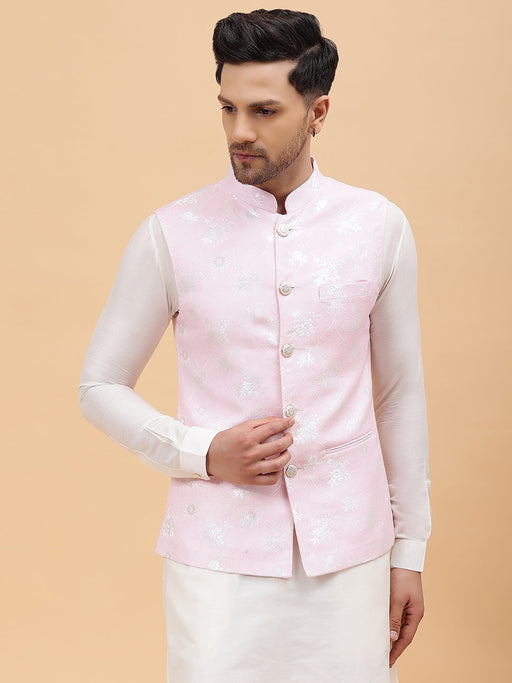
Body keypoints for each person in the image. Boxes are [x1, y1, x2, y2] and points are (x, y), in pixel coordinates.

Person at [79, 9, 431, 682]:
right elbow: (98, 386)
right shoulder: (171, 232)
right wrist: (202, 451)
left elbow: (399, 395)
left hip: (351, 557)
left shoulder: (378, 227)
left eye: (264, 111)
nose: (240, 131)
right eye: (228, 108)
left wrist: (409, 550)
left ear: (317, 111)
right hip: (216, 562)